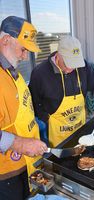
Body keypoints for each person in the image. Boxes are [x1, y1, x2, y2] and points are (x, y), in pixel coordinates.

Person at [29, 35, 94, 147]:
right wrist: (44, 118)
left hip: (80, 128)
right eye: (67, 63)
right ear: (58, 55)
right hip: (55, 133)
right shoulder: (40, 73)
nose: (70, 69)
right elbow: (33, 102)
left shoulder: (84, 67)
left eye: (75, 64)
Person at [0, 16, 48, 200]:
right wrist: (19, 143)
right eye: (23, 49)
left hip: (26, 162)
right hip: (6, 173)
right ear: (6, 40)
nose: (25, 56)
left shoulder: (11, 69)